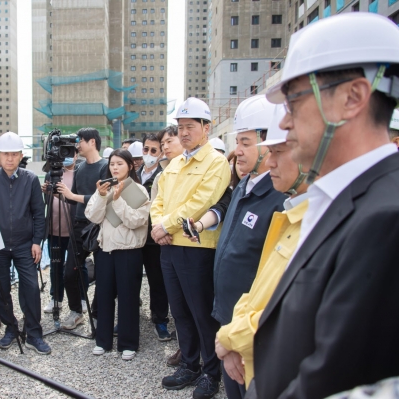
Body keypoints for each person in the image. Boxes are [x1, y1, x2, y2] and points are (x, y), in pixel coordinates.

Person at [249, 13, 399, 399]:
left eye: (294, 100)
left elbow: (333, 377)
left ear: (352, 98)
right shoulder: (345, 198)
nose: (284, 120)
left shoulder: (386, 219)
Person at [213, 105, 308, 393]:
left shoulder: (280, 198)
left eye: (245, 143)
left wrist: (239, 337)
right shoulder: (242, 186)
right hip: (230, 322)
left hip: (253, 334)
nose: (237, 151)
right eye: (236, 143)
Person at [150, 97, 230, 399]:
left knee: (201, 313)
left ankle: (211, 372)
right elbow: (157, 201)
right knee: (180, 311)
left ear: (206, 128)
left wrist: (164, 226)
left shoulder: (216, 163)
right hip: (169, 245)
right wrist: (159, 228)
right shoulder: (175, 164)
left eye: (190, 127)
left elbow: (202, 202)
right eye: (180, 127)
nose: (184, 133)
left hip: (197, 247)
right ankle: (189, 364)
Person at [0, 132, 51, 355]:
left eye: (14, 154)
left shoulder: (30, 179)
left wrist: (37, 242)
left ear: (21, 156)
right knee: (1, 290)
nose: (10, 159)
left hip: (25, 244)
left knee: (31, 287)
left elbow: (38, 213)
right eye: (5, 154)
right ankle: (11, 328)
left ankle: (33, 332)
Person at [85, 149, 150, 361]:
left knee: (128, 298)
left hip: (129, 252)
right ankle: (102, 341)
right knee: (103, 297)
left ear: (130, 166)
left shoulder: (139, 190)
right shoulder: (104, 187)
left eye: (120, 163)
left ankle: (128, 343)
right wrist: (103, 196)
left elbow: (135, 221)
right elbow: (92, 216)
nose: (115, 167)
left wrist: (119, 199)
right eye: (112, 163)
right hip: (105, 250)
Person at [56, 128, 108, 329]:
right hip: (78, 226)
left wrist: (71, 195)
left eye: (80, 141)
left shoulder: (105, 167)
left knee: (104, 275)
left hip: (100, 226)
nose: (77, 145)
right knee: (69, 273)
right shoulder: (79, 169)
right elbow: (74, 201)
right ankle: (76, 311)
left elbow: (101, 199)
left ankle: (97, 314)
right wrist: (59, 194)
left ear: (92, 142)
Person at [137, 133, 171, 341]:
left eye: (153, 150)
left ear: (160, 153)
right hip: (132, 237)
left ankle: (160, 320)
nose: (148, 154)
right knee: (129, 280)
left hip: (153, 239)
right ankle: (127, 317)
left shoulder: (165, 175)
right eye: (145, 149)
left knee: (157, 281)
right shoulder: (132, 173)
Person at [41, 151, 78, 313]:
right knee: (55, 266)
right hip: (53, 229)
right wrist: (46, 192)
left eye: (70, 153)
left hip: (72, 230)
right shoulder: (51, 173)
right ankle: (56, 298)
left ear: (76, 155)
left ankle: (80, 299)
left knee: (76, 267)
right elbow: (47, 202)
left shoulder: (80, 172)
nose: (67, 157)